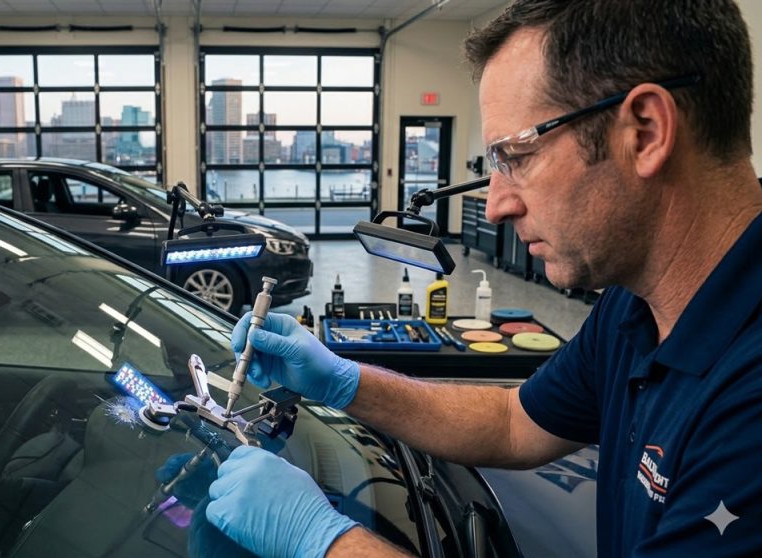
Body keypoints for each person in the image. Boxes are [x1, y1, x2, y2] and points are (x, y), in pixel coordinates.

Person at [204, 1, 762, 556]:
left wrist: (326, 542)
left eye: (515, 155)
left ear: (644, 132)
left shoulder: (749, 400)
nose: (495, 205)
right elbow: (514, 423)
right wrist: (343, 381)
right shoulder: (633, 309)